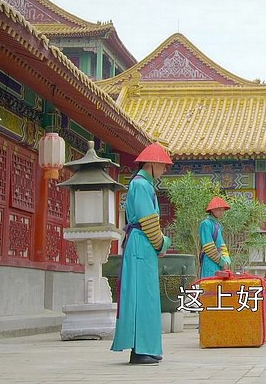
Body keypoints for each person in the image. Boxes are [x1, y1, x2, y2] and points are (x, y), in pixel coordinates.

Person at [111, 142, 173, 365]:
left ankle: (147, 347)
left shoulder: (143, 184)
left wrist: (158, 245)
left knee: (146, 296)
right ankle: (140, 349)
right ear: (152, 164)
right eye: (163, 166)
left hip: (142, 245)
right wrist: (161, 244)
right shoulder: (141, 185)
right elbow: (148, 221)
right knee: (141, 296)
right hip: (141, 245)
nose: (164, 170)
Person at [199, 196, 231, 278]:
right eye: (220, 210)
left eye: (223, 210)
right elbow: (209, 247)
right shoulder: (205, 224)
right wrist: (222, 262)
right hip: (210, 261)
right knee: (209, 282)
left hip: (220, 262)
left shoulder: (217, 225)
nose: (222, 212)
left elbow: (222, 245)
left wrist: (226, 260)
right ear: (213, 210)